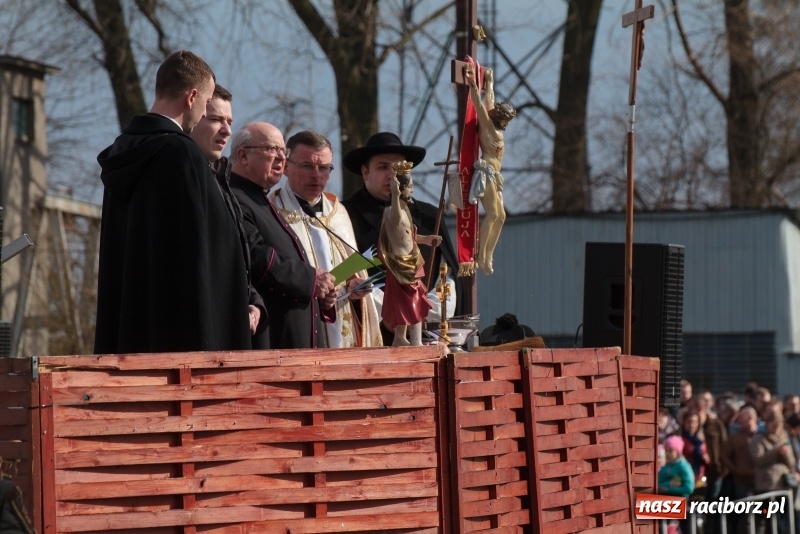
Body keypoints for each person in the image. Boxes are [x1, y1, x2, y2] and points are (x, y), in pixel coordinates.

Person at [95, 50, 254, 353]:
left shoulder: (121, 151)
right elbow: (200, 253)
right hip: (180, 338)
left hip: (130, 327)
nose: (205, 111)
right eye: (208, 103)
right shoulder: (181, 153)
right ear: (192, 97)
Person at [342, 132, 464, 344]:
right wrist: (381, 307)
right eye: (383, 167)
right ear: (365, 172)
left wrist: (431, 306)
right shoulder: (344, 216)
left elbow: (448, 273)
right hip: (365, 336)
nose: (392, 174)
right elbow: (339, 272)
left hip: (427, 333)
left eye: (399, 167)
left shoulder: (429, 216)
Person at [268, 130, 382, 348]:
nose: (316, 175)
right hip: (298, 324)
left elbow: (350, 271)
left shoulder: (338, 213)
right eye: (307, 166)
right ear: (285, 166)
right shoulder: (271, 212)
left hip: (342, 323)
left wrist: (353, 285)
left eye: (324, 168)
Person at [228, 122, 337, 348]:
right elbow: (256, 255)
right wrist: (309, 279)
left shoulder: (260, 199)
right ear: (243, 155)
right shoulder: (235, 198)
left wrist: (321, 292)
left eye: (282, 151)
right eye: (271, 149)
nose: (280, 158)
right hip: (273, 340)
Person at [189, 84, 266, 342]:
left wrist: (253, 302)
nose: (227, 130)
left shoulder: (222, 179)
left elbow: (236, 259)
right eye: (215, 120)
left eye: (230, 121)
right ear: (192, 115)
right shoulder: (188, 179)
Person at [378, 162, 442, 346]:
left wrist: (427, 239)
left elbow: (409, 237)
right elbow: (396, 222)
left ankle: (411, 338)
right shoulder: (391, 211)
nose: (412, 191)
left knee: (414, 302)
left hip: (411, 262)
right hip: (400, 265)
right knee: (407, 303)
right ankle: (403, 338)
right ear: (400, 189)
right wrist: (396, 195)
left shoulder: (406, 210)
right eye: (409, 187)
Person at [464, 64, 516, 275]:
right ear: (498, 117)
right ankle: (481, 255)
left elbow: (489, 99)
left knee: (501, 216)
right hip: (485, 174)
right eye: (506, 119)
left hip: (496, 176)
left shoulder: (496, 127)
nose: (507, 122)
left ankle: (488, 254)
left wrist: (490, 82)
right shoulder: (487, 125)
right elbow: (479, 103)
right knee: (493, 214)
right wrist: (472, 83)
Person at [722, 406, 757, 534]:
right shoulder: (734, 438)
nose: (738, 420)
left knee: (765, 514)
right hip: (742, 482)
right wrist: (736, 470)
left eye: (741, 417)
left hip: (761, 481)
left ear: (751, 418)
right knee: (746, 515)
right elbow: (724, 457)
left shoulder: (762, 435)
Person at [658, 435, 695, 534]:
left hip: (681, 502)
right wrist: (668, 485)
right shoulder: (666, 466)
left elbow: (689, 487)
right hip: (666, 502)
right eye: (666, 451)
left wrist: (668, 489)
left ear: (677, 452)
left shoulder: (684, 466)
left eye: (671, 451)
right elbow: (659, 482)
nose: (668, 454)